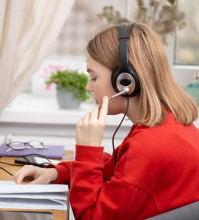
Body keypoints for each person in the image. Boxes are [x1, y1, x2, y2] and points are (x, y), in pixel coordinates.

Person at [13, 23, 199, 219]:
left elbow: (90, 216)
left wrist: (87, 149)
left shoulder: (149, 146)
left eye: (93, 78)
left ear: (125, 81)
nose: (88, 87)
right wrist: (56, 173)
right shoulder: (166, 122)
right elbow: (114, 170)